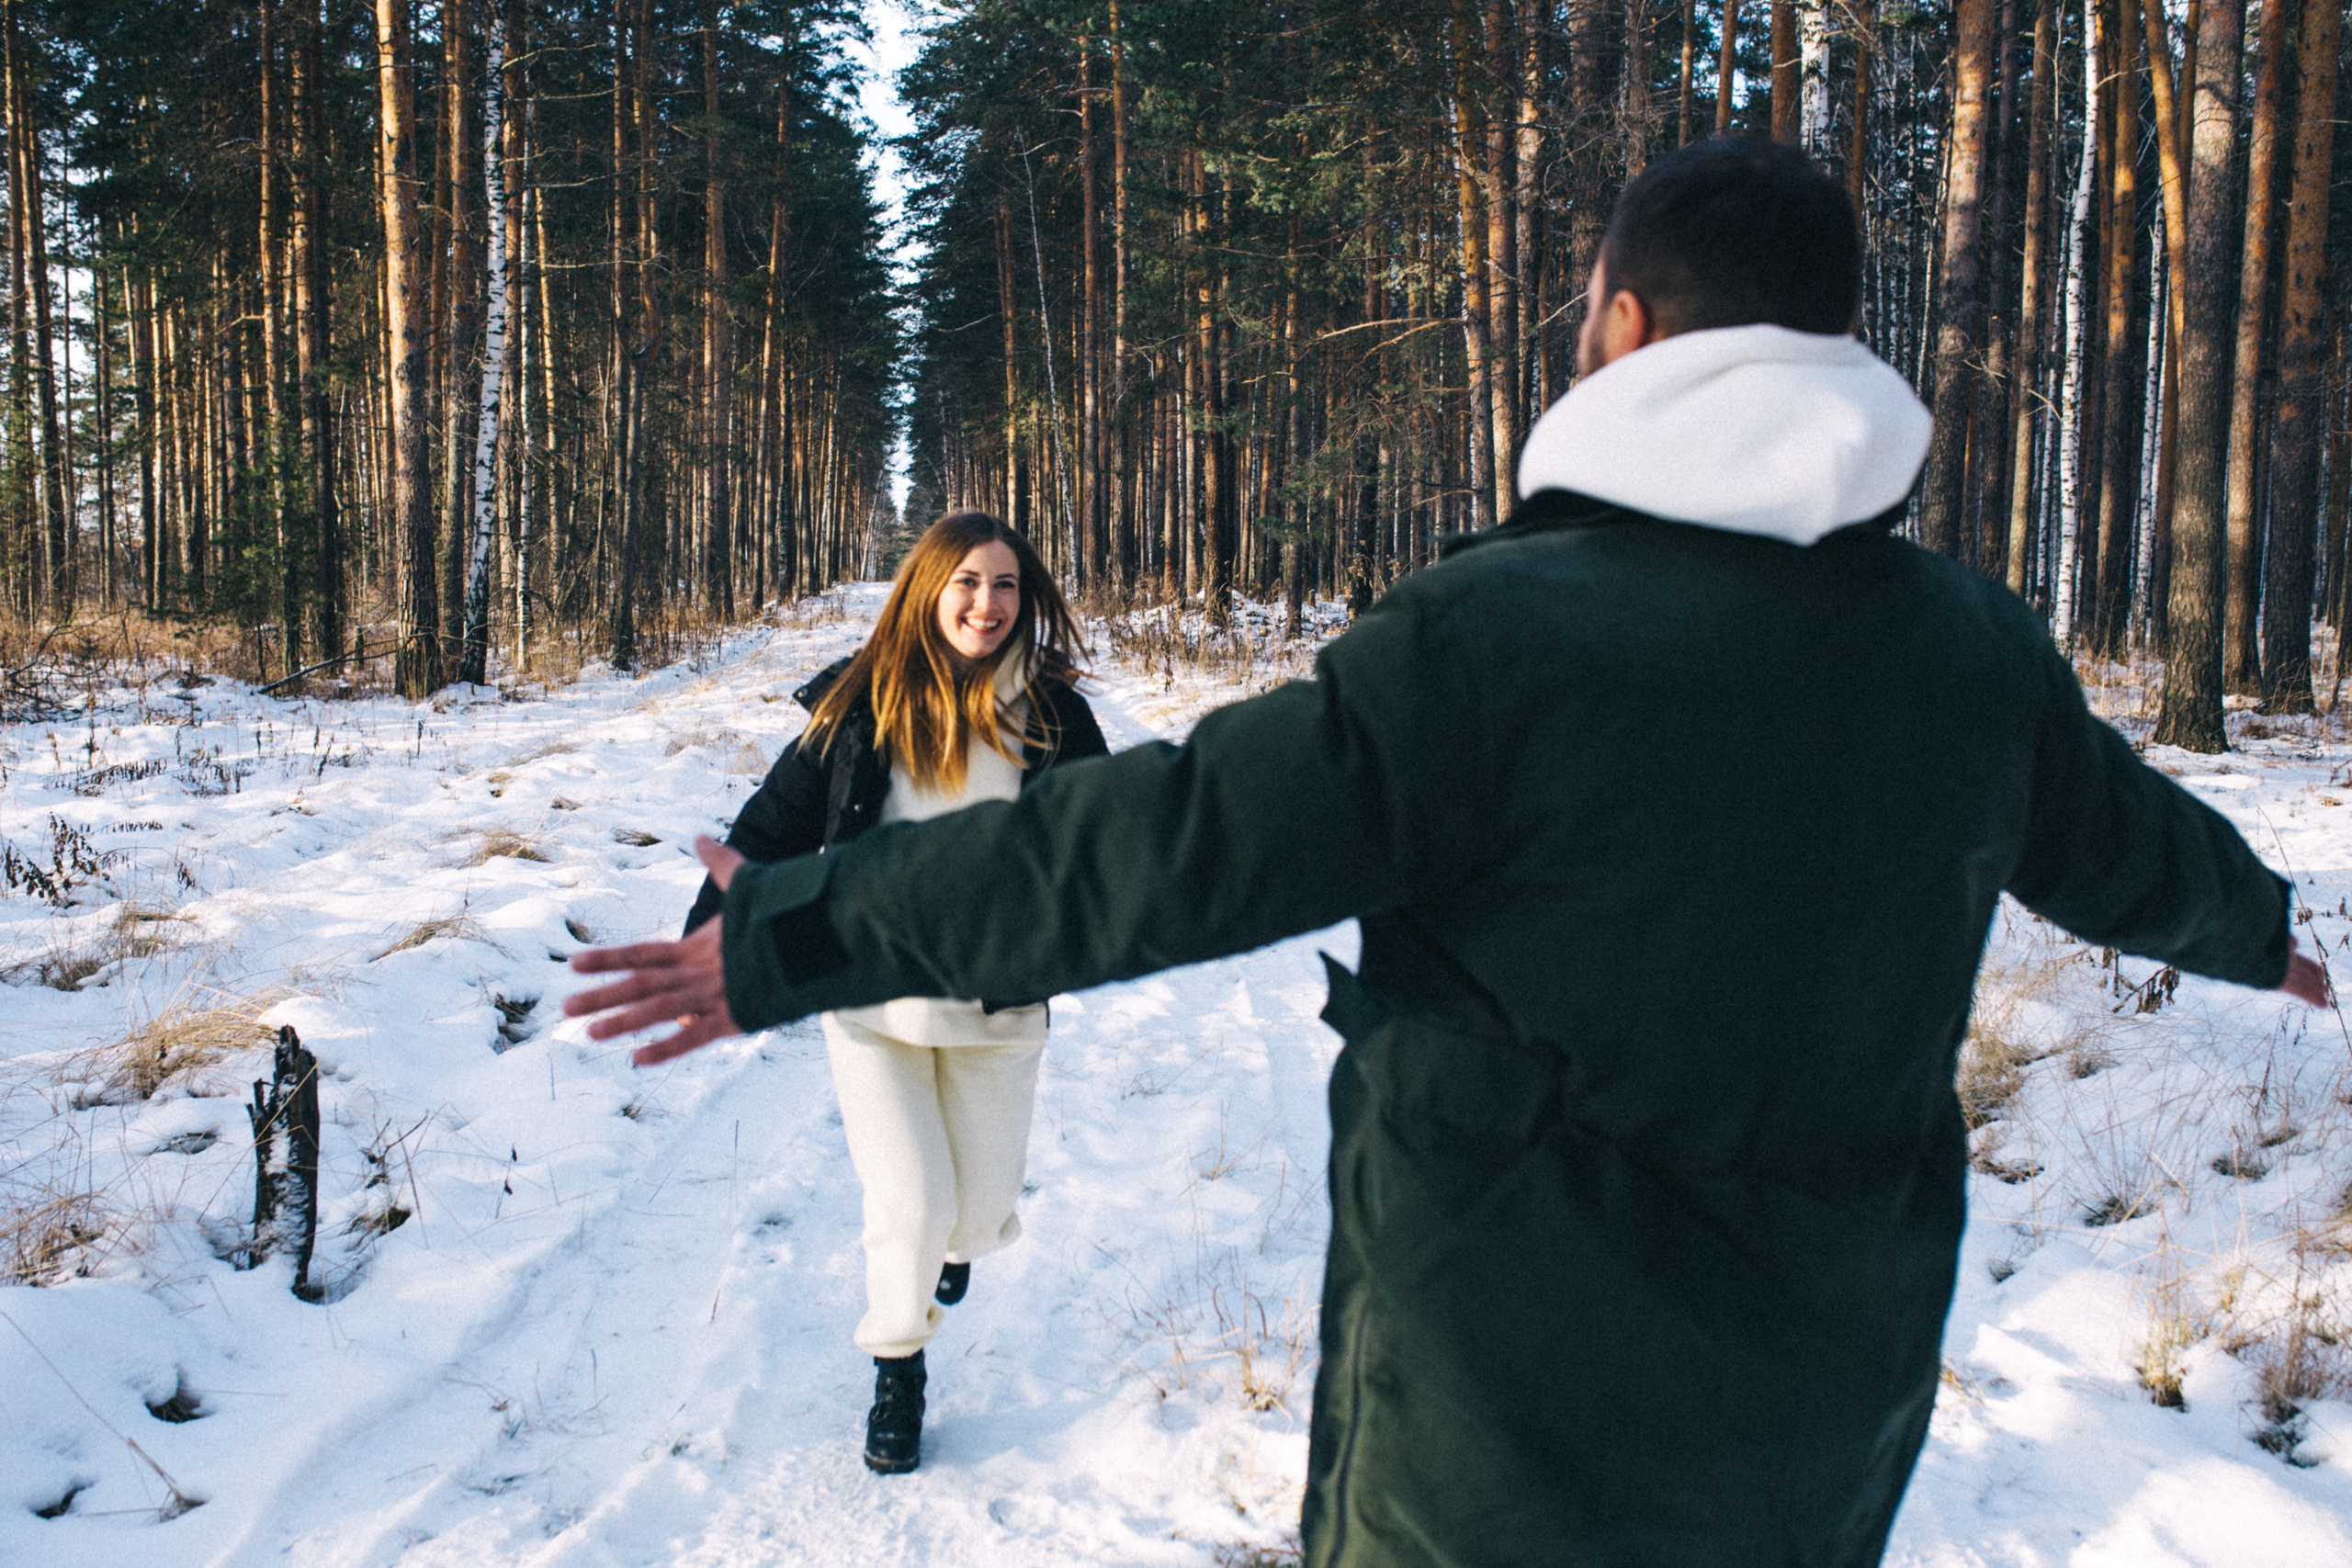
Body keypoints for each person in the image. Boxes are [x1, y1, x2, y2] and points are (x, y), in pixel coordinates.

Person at [569, 140, 2325, 1565]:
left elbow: (1159, 843)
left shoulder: (1496, 640)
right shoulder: (1969, 647)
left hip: (1494, 1417)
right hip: (1822, 1405)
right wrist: (2262, 925)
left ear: (1624, 332)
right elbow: (2124, 840)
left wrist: (797, 933)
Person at [679, 510, 1107, 1474]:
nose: (986, 604)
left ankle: (957, 1240)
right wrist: (707, 945)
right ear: (926, 589)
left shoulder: (1051, 714)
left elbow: (1110, 836)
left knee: (976, 1209)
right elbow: (768, 829)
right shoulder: (862, 703)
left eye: (1004, 585)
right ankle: (898, 1370)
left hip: (998, 1005)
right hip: (870, 1004)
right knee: (907, 1206)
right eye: (965, 582)